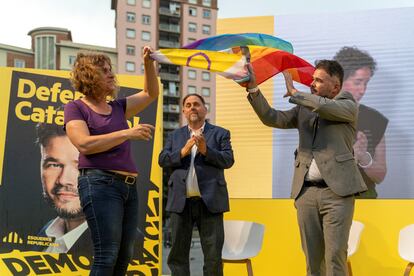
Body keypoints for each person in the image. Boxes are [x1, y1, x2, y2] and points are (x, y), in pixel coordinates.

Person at [245, 60, 367, 276]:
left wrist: (295, 92)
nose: (312, 84)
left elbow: (324, 106)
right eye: (313, 79)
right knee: (312, 259)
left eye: (319, 80)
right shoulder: (304, 108)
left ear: (336, 86)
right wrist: (253, 89)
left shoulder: (347, 104)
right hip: (306, 192)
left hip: (337, 194)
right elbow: (272, 118)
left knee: (335, 257)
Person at [64, 48, 159, 275]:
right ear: (88, 75)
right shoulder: (76, 107)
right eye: (104, 71)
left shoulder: (118, 107)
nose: (110, 75)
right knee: (107, 255)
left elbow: (150, 92)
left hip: (128, 187)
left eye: (110, 70)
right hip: (99, 184)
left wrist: (147, 63)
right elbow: (84, 144)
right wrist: (127, 133)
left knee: (124, 256)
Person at [158, 94, 234, 276]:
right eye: (188, 105)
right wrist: (182, 152)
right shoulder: (174, 135)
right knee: (177, 256)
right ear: (183, 111)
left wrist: (206, 150)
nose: (193, 107)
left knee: (213, 256)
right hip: (180, 202)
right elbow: (163, 159)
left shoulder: (220, 133)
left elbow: (228, 160)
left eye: (197, 104)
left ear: (205, 109)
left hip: (210, 202)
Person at [334, 46, 388, 198]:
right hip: (328, 204)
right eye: (358, 82)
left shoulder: (375, 120)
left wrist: (364, 157)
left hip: (365, 200)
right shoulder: (319, 113)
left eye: (366, 83)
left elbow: (380, 176)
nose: (363, 89)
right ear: (339, 79)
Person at [35, 122, 92, 256]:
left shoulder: (129, 245)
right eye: (54, 165)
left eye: (82, 166)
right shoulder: (45, 232)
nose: (63, 180)